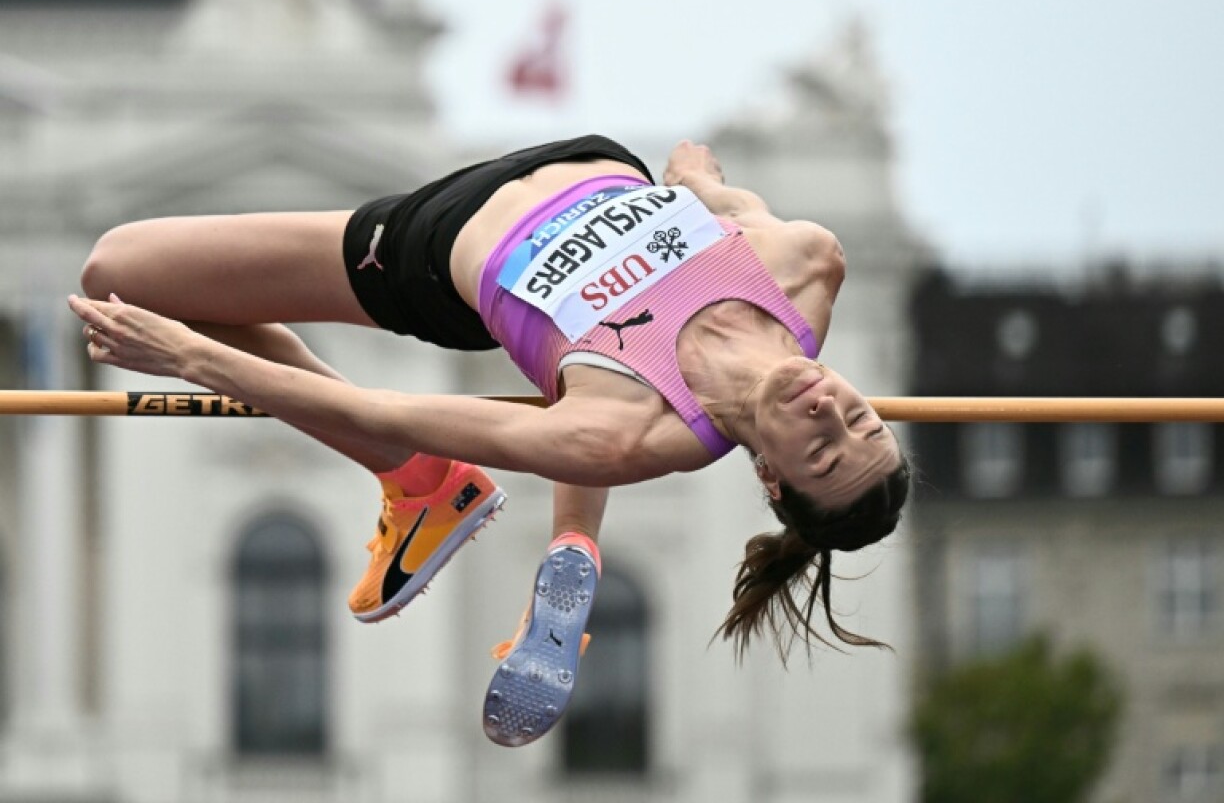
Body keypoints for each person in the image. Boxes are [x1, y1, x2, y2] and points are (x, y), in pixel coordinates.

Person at [66, 134, 911, 747]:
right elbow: (736, 213)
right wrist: (703, 182)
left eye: (825, 450)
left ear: (769, 475)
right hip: (596, 164)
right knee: (587, 392)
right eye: (862, 418)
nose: (830, 411)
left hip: (434, 248)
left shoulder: (633, 431)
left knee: (116, 269)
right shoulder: (806, 266)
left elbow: (385, 409)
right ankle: (544, 530)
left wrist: (186, 355)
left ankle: (439, 488)